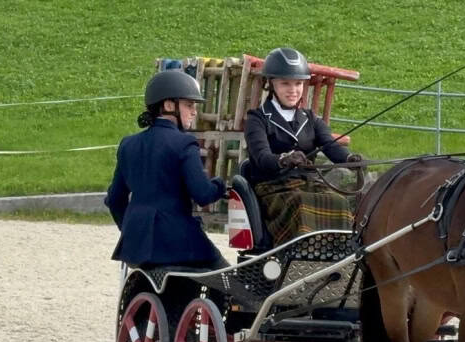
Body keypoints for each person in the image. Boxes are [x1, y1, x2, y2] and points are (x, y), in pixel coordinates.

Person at [105, 69, 228, 270]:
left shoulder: (128, 144)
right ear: (169, 105)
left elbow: (115, 199)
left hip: (135, 245)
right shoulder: (184, 143)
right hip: (176, 243)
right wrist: (220, 185)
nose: (194, 111)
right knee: (226, 275)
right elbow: (203, 194)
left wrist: (129, 229)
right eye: (189, 105)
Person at [244, 47, 362, 246]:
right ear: (271, 84)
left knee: (340, 202)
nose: (293, 90)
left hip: (307, 183)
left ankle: (337, 253)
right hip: (273, 186)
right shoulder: (257, 118)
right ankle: (300, 253)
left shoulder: (310, 118)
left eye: (298, 84)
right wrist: (283, 159)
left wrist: (349, 159)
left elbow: (330, 146)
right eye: (285, 84)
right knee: (300, 203)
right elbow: (261, 157)